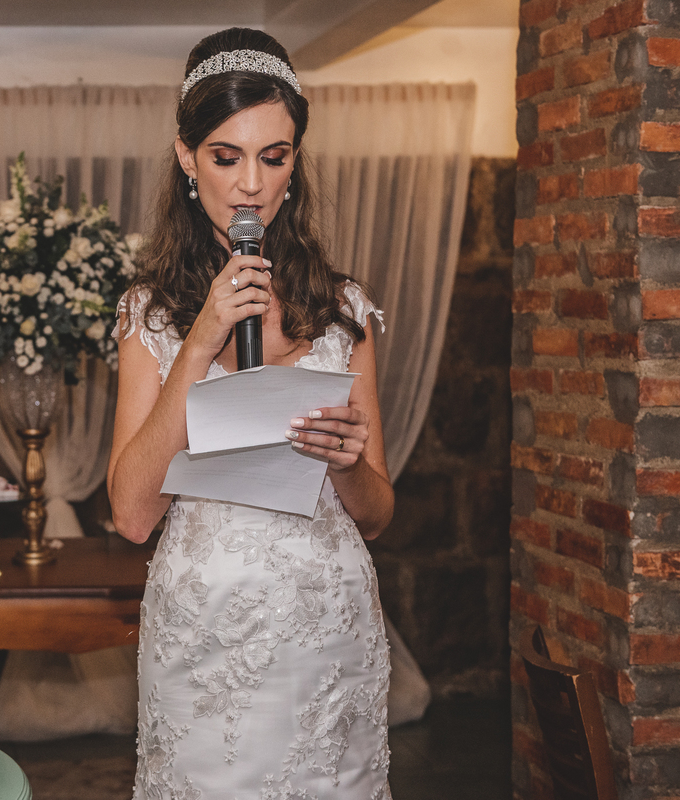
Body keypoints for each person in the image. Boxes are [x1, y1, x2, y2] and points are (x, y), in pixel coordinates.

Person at [106, 27, 394, 800]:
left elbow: (376, 511)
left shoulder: (345, 311)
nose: (251, 185)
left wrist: (347, 463)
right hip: (206, 639)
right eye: (226, 155)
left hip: (328, 632)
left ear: (295, 161)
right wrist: (198, 343)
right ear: (186, 157)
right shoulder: (150, 315)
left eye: (275, 155)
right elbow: (133, 513)